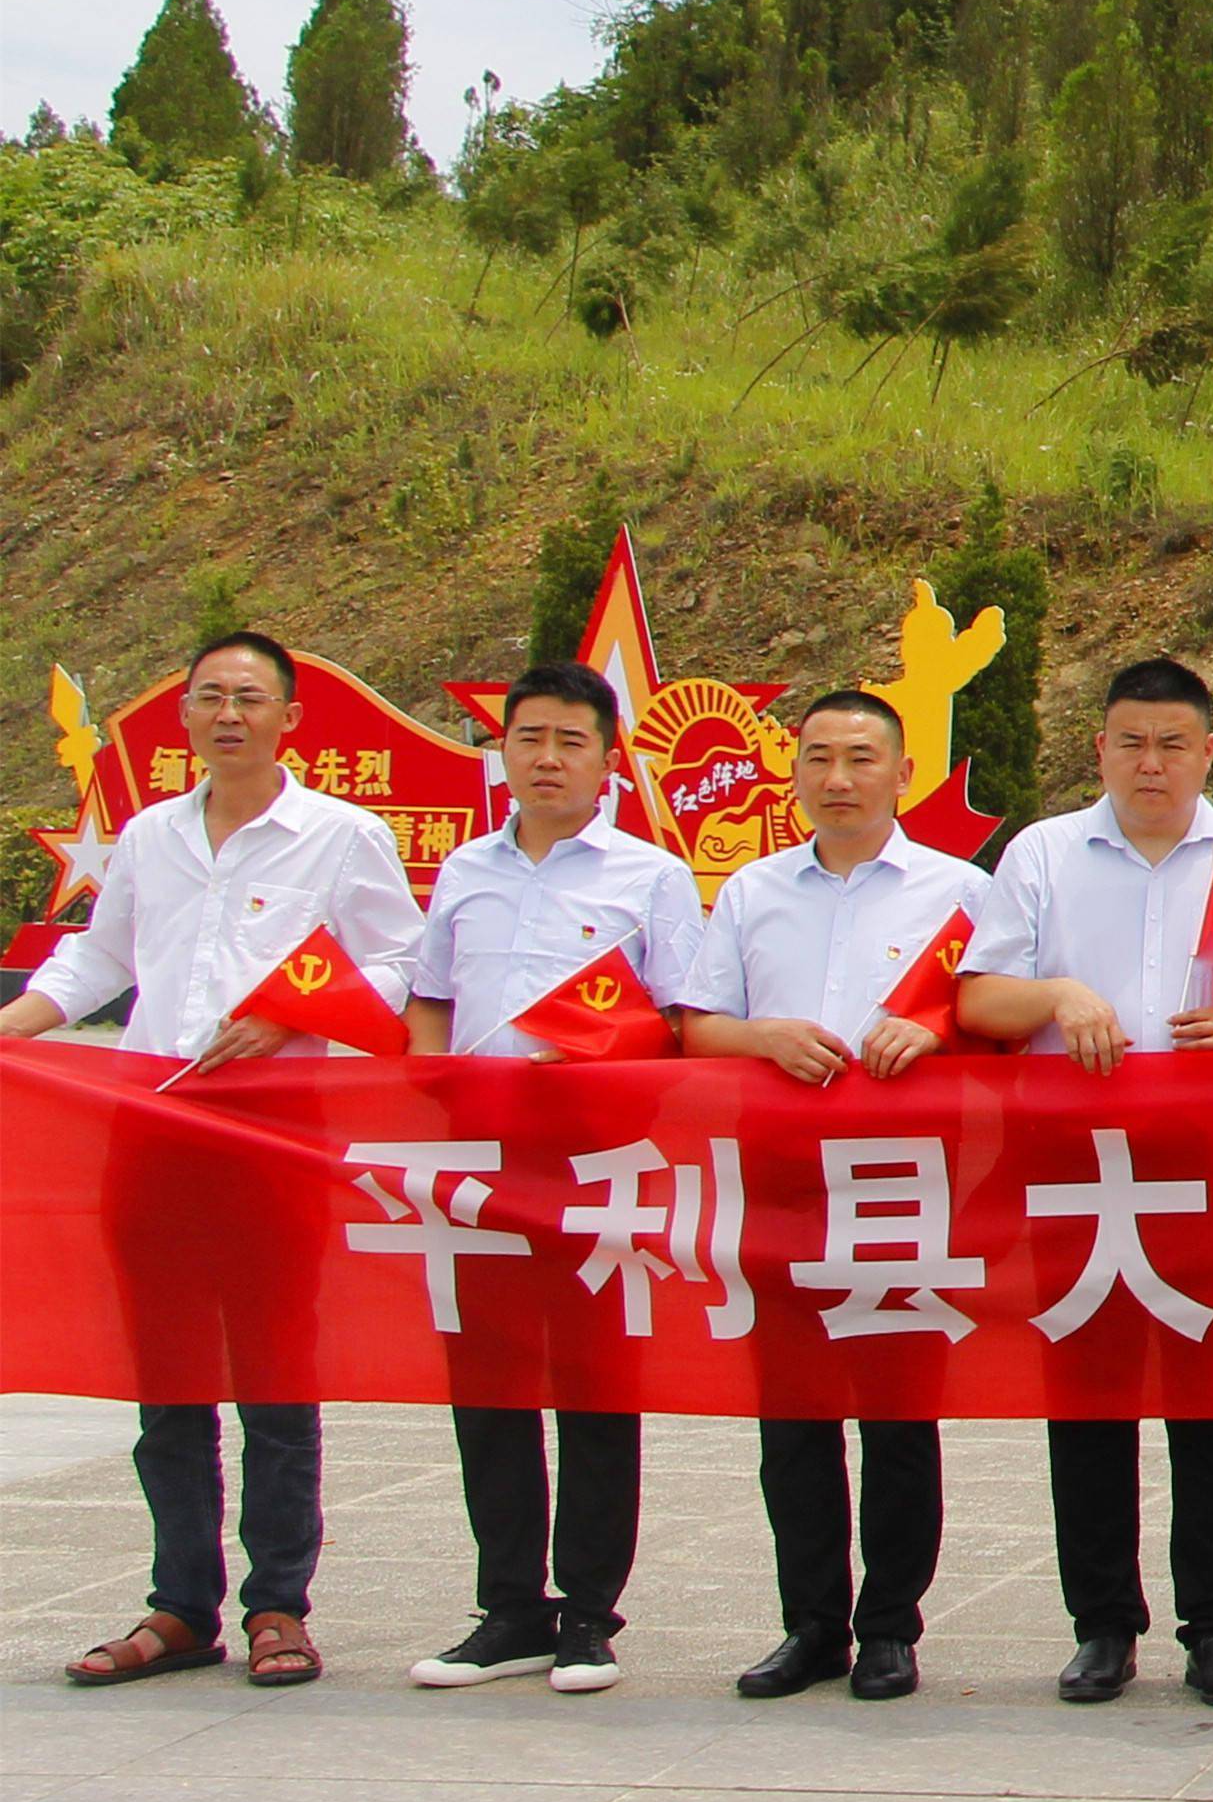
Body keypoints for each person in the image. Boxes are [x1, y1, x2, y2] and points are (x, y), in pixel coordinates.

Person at [5, 630, 415, 1693]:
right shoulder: (150, 835)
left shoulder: (339, 833)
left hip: (272, 1127)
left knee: (275, 1371)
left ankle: (279, 1598)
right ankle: (181, 1602)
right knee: (168, 1375)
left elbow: (399, 953)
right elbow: (100, 956)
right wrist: (21, 1023)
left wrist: (290, 1010)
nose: (227, 713)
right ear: (184, 716)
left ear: (290, 717)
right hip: (154, 1122)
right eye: (209, 697)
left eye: (249, 696)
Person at [955, 656, 1213, 1709]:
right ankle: (1102, 1622)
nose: (1150, 763)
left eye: (1172, 743)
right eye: (1130, 742)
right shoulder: (1044, 854)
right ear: (1099, 747)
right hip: (1078, 1163)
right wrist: (1058, 991)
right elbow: (978, 1001)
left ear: (1210, 751)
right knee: (1089, 1397)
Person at [400, 658, 712, 1694]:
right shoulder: (463, 870)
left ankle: (587, 1610)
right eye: (528, 736)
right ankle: (509, 1607)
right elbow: (431, 1001)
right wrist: (423, 1095)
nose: (546, 757)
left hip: (591, 1160)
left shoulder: (650, 876)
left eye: (570, 740)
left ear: (606, 757)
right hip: (479, 1160)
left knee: (592, 1379)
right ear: (503, 749)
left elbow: (679, 1022)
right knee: (485, 1378)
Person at [683, 686, 988, 1701]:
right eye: (818, 757)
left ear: (905, 773)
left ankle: (891, 1622)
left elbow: (993, 1018)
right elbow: (697, 1027)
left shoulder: (959, 893)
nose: (838, 777)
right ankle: (810, 1620)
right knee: (793, 1411)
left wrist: (938, 1030)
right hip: (778, 1176)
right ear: (795, 771)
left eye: (862, 757)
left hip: (906, 1176)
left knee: (899, 1407)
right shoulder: (751, 890)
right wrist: (762, 1035)